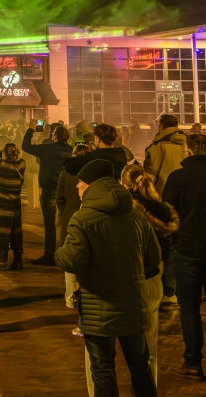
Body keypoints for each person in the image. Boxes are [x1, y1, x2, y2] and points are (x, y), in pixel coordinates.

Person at [55, 159, 159, 397]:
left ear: (90, 186)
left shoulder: (82, 219)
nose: (76, 187)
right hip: (132, 304)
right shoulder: (135, 215)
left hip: (98, 308)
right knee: (140, 368)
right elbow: (153, 259)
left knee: (103, 370)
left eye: (80, 183)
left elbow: (72, 260)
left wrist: (59, 252)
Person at [120, 165, 178, 391]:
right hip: (154, 278)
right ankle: (148, 387)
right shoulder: (162, 208)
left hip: (134, 277)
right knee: (149, 343)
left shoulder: (128, 209)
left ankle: (141, 387)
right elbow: (167, 244)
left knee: (132, 344)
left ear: (125, 184)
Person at [163, 132, 206, 380]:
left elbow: (167, 215)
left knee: (189, 307)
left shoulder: (178, 177)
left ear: (188, 152)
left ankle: (192, 362)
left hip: (187, 250)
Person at [21, 122, 72, 265]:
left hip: (49, 188)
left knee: (49, 223)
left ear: (54, 137)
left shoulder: (47, 149)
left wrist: (31, 129)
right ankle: (67, 252)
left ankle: (49, 254)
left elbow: (26, 146)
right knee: (67, 222)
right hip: (66, 189)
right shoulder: (71, 150)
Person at [55, 143, 90, 310]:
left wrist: (62, 214)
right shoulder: (92, 175)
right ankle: (84, 297)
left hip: (69, 214)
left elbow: (59, 198)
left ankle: (69, 298)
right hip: (88, 215)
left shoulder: (65, 174)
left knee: (70, 258)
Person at [0, 142, 26, 271]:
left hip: (1, 204)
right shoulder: (22, 164)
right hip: (15, 202)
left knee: (2, 232)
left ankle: (2, 261)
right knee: (16, 232)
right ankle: (18, 261)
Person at [145, 114, 188, 195]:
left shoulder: (159, 145)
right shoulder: (189, 142)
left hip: (166, 189)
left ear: (161, 127)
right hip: (188, 188)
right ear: (177, 125)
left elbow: (152, 170)